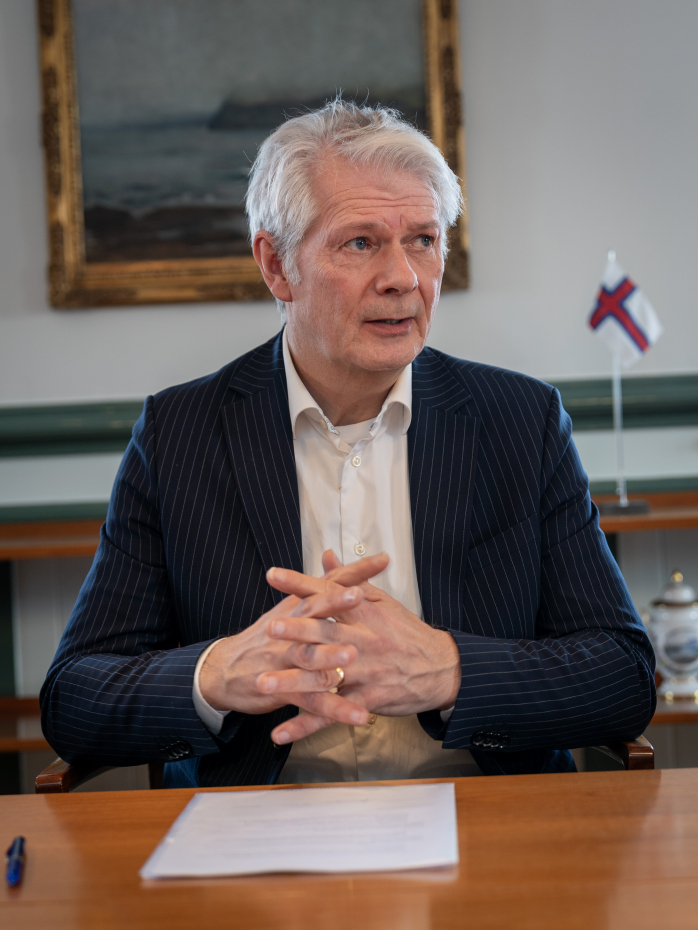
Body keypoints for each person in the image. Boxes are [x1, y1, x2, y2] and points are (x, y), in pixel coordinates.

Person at [41, 100, 655, 787]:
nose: (403, 277)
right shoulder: (179, 434)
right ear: (277, 266)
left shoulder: (521, 420)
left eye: (422, 240)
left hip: (482, 817)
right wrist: (218, 674)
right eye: (361, 243)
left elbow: (622, 677)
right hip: (254, 829)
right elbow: (75, 700)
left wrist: (449, 670)